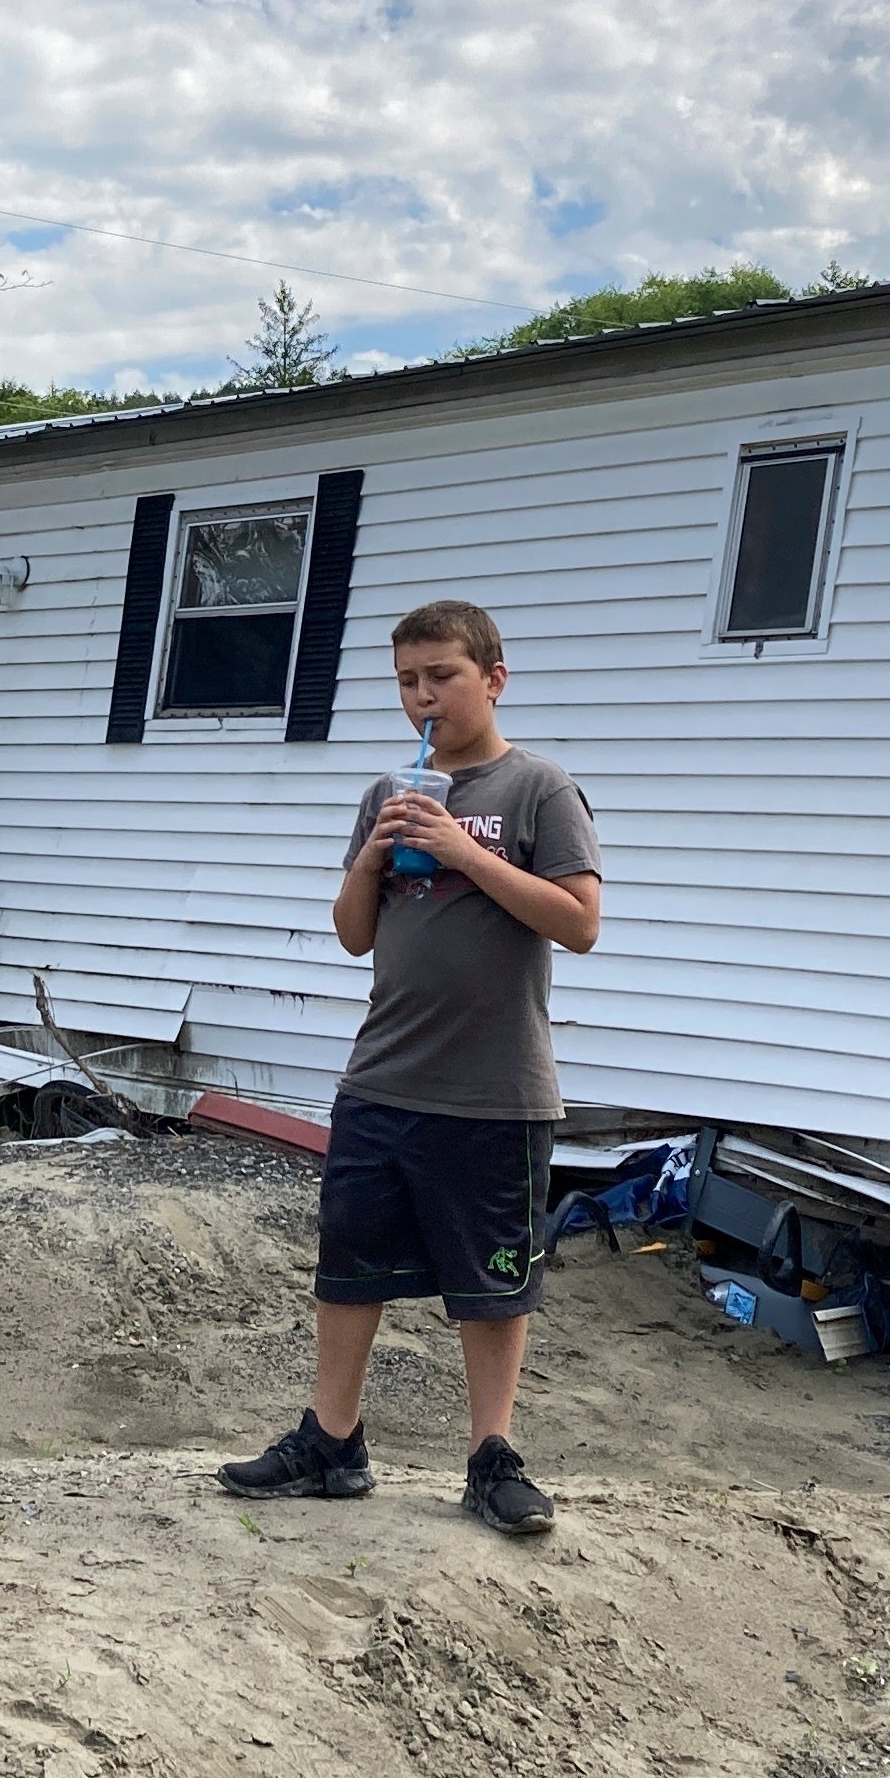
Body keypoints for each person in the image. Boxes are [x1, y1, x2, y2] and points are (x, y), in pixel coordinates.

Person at [220, 597, 602, 1537]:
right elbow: (355, 937)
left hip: (497, 1087)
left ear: (493, 679)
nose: (423, 696)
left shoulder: (537, 789)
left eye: (442, 676)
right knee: (349, 1268)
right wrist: (377, 856)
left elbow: (580, 922)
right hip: (382, 1076)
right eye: (407, 681)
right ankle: (332, 1442)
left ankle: (491, 1458)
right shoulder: (388, 792)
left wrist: (461, 855)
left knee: (492, 1281)